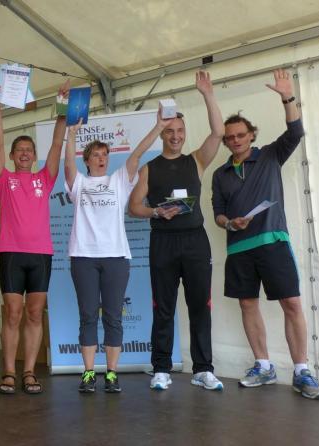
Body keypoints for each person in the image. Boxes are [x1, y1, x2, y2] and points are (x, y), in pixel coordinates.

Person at [211, 69, 319, 400]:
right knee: (248, 304)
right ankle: (263, 366)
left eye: (240, 135)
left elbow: (296, 130)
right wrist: (230, 224)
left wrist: (287, 97)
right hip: (239, 249)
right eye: (229, 137)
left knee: (291, 303)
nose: (235, 140)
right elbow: (218, 213)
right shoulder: (220, 174)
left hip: (273, 242)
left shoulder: (271, 154)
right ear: (225, 141)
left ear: (251, 135)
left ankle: (302, 371)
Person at [129, 71, 225, 391]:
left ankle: (203, 369)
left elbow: (218, 132)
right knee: (163, 307)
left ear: (185, 133)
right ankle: (161, 368)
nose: (175, 136)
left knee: (200, 306)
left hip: (195, 241)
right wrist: (156, 211)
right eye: (169, 131)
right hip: (163, 242)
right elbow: (134, 207)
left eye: (180, 131)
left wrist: (208, 95)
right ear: (162, 134)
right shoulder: (149, 168)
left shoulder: (196, 160)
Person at [64, 106, 152, 393]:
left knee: (113, 316)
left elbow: (137, 154)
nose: (101, 159)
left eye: (105, 155)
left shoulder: (118, 181)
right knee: (88, 316)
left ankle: (112, 374)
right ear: (87, 160)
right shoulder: (79, 183)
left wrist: (159, 127)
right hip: (83, 258)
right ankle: (89, 373)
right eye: (96, 155)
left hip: (116, 257)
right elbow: (68, 165)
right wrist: (71, 134)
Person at [0, 81, 66, 395]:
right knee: (13, 313)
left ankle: (30, 372)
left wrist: (63, 113)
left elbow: (57, 146)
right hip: (11, 253)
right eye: (19, 150)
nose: (24, 153)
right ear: (11, 155)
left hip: (41, 255)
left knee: (35, 314)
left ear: (34, 156)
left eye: (29, 150)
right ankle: (9, 371)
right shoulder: (2, 178)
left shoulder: (44, 179)